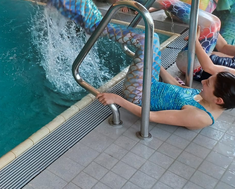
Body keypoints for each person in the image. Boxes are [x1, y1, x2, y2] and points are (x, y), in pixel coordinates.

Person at [98, 35, 235, 129]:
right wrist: (156, 65)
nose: (203, 81)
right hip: (152, 83)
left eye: (208, 84)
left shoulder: (199, 116)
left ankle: (98, 27)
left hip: (139, 94)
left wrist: (117, 99)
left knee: (147, 39)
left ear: (219, 100)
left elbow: (150, 116)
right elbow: (178, 88)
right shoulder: (210, 100)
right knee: (152, 38)